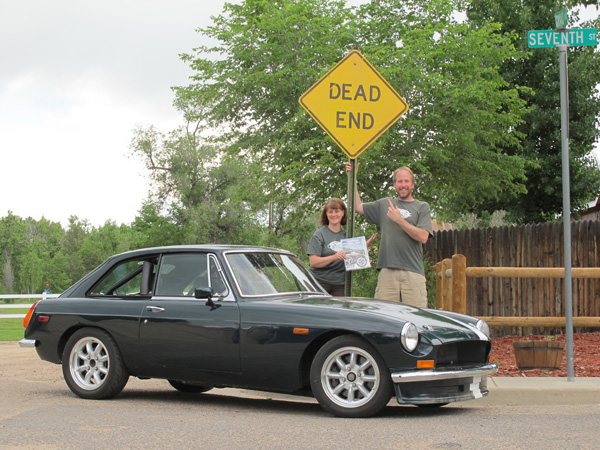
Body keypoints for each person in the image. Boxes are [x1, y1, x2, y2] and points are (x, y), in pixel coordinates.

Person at [345, 162, 433, 307]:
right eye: (399, 181)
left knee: (416, 319)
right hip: (387, 272)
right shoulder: (384, 204)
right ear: (394, 185)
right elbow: (357, 207)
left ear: (412, 185)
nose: (403, 184)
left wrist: (399, 220)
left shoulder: (422, 207)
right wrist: (352, 178)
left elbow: (423, 237)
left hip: (413, 273)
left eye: (406, 181)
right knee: (385, 318)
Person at [307, 198, 376, 296]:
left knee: (339, 310)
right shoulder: (319, 234)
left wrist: (363, 247)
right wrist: (334, 257)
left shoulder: (348, 236)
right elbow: (313, 262)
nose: (334, 214)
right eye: (330, 212)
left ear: (343, 213)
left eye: (337, 211)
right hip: (319, 282)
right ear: (326, 214)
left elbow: (353, 260)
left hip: (340, 284)